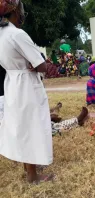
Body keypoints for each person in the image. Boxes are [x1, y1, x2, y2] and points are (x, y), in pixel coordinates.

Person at [0, 0, 53, 183]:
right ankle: (32, 176)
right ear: (15, 11)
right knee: (31, 125)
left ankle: (28, 167)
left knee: (21, 125)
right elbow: (42, 65)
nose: (23, 14)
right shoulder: (17, 34)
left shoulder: (1, 34)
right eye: (22, 11)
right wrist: (37, 62)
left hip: (12, 83)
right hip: (26, 84)